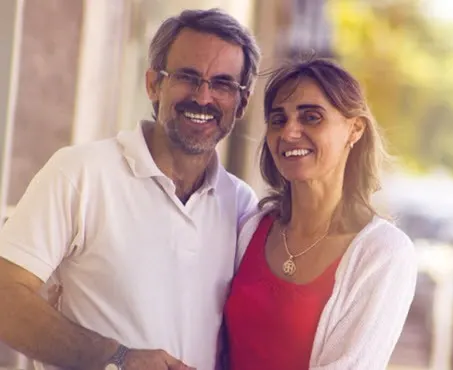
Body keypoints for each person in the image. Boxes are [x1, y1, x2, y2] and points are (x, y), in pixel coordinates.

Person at [0, 8, 260, 370]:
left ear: (242, 101)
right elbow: (5, 298)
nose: (203, 97)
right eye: (187, 77)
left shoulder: (242, 206)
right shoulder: (81, 173)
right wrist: (117, 358)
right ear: (154, 83)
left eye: (222, 84)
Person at [224, 58, 418, 369]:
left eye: (311, 117)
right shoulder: (250, 228)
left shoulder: (384, 253)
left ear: (354, 129)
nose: (289, 133)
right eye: (278, 119)